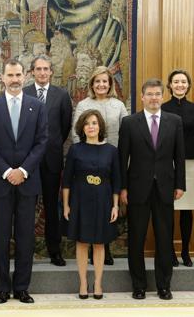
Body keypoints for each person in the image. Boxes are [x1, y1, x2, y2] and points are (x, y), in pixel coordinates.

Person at [0, 59, 48, 304]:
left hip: (28, 183)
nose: (15, 79)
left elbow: (42, 142)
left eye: (18, 74)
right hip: (0, 183)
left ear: (25, 76)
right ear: (2, 77)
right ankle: (2, 287)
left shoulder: (37, 106)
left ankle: (21, 287)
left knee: (25, 236)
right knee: (0, 237)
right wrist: (8, 171)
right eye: (10, 75)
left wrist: (24, 171)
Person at [118, 78, 185, 300]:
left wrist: (180, 184)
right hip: (137, 188)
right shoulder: (129, 122)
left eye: (158, 94)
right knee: (136, 238)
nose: (154, 98)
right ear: (143, 97)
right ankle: (138, 285)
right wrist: (123, 188)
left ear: (162, 96)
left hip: (166, 188)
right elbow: (122, 158)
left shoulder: (174, 121)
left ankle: (164, 285)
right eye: (150, 94)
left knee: (164, 239)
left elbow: (180, 156)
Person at [72, 66, 127, 265]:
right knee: (89, 206)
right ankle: (89, 247)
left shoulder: (119, 105)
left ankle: (105, 247)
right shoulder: (83, 105)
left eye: (105, 81)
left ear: (110, 84)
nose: (101, 85)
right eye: (97, 81)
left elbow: (126, 134)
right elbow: (76, 134)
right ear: (92, 84)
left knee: (107, 204)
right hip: (86, 163)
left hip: (112, 162)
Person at [63, 109, 120, 300]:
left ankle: (97, 283)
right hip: (79, 200)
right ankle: (82, 282)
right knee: (81, 242)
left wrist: (115, 205)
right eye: (87, 123)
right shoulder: (75, 149)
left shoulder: (111, 151)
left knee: (99, 243)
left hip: (104, 201)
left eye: (94, 123)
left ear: (100, 126)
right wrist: (66, 205)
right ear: (82, 127)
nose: (91, 126)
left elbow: (116, 181)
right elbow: (67, 181)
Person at [23, 55, 72, 267]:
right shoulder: (24, 93)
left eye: (46, 69)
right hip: (27, 161)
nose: (42, 73)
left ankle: (55, 251)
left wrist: (51, 146)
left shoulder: (61, 95)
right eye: (38, 69)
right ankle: (26, 252)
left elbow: (65, 126)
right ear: (32, 72)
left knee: (52, 207)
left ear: (51, 72)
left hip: (51, 159)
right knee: (26, 207)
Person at [161, 69, 194, 267]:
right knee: (168, 209)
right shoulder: (162, 108)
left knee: (186, 210)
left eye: (183, 82)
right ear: (170, 85)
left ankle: (186, 252)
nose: (180, 85)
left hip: (190, 163)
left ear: (188, 85)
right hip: (166, 163)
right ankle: (170, 251)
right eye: (176, 82)